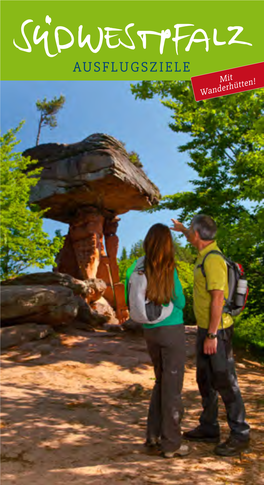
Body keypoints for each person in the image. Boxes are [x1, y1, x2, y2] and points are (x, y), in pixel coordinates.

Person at [171, 214, 250, 457]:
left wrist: (212, 335)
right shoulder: (204, 252)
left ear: (198, 235)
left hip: (218, 330)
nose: (189, 237)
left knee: (225, 380)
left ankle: (240, 434)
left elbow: (218, 298)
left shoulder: (213, 260)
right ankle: (209, 427)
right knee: (205, 379)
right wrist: (184, 228)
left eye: (190, 233)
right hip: (207, 329)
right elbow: (194, 235)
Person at [125, 223, 190, 459]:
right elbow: (181, 302)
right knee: (172, 387)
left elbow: (129, 297)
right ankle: (171, 444)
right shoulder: (168, 268)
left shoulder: (136, 266)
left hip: (149, 331)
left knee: (161, 382)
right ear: (166, 244)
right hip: (171, 330)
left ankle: (152, 436)